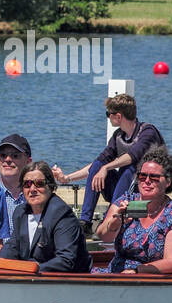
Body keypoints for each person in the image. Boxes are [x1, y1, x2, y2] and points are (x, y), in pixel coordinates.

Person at [53, 93, 164, 232]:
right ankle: (86, 221)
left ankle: (111, 218)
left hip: (145, 189)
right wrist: (66, 178)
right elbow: (98, 163)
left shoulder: (147, 132)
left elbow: (132, 156)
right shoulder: (119, 136)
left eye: (108, 114)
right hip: (124, 189)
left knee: (127, 167)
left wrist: (106, 168)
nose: (107, 117)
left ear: (118, 116)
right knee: (99, 165)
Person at [94, 145, 172, 274]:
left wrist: (137, 271)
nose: (147, 181)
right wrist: (115, 223)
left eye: (154, 177)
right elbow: (104, 236)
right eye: (142, 176)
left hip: (156, 279)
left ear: (168, 182)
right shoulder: (126, 201)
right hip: (118, 273)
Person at [0, 161, 92, 273]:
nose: (32, 189)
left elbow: (66, 260)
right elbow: (13, 246)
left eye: (39, 183)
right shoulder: (20, 213)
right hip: (31, 279)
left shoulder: (62, 215)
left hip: (66, 281)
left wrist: (32, 270)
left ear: (51, 187)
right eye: (27, 184)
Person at [0, 134, 31, 222]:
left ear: (28, 162)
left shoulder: (37, 194)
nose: (8, 159)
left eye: (15, 156)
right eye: (3, 155)